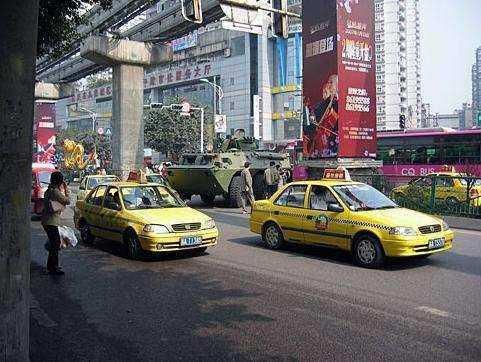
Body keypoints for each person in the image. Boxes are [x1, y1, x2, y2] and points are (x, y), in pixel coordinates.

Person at [41, 171, 70, 275]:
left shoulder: (49, 190)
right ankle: (53, 267)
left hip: (47, 220)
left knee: (54, 243)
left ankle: (51, 266)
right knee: (56, 244)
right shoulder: (55, 192)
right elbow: (67, 201)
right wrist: (66, 189)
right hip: (51, 221)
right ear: (60, 181)